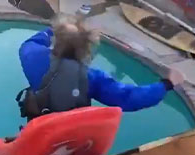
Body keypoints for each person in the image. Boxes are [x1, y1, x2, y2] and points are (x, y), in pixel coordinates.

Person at [17, 15, 184, 120]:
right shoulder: (93, 78)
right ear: (86, 49)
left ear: (56, 41)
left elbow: (30, 43)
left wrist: (52, 30)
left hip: (40, 123)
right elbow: (130, 97)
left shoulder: (34, 57)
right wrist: (167, 84)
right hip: (70, 131)